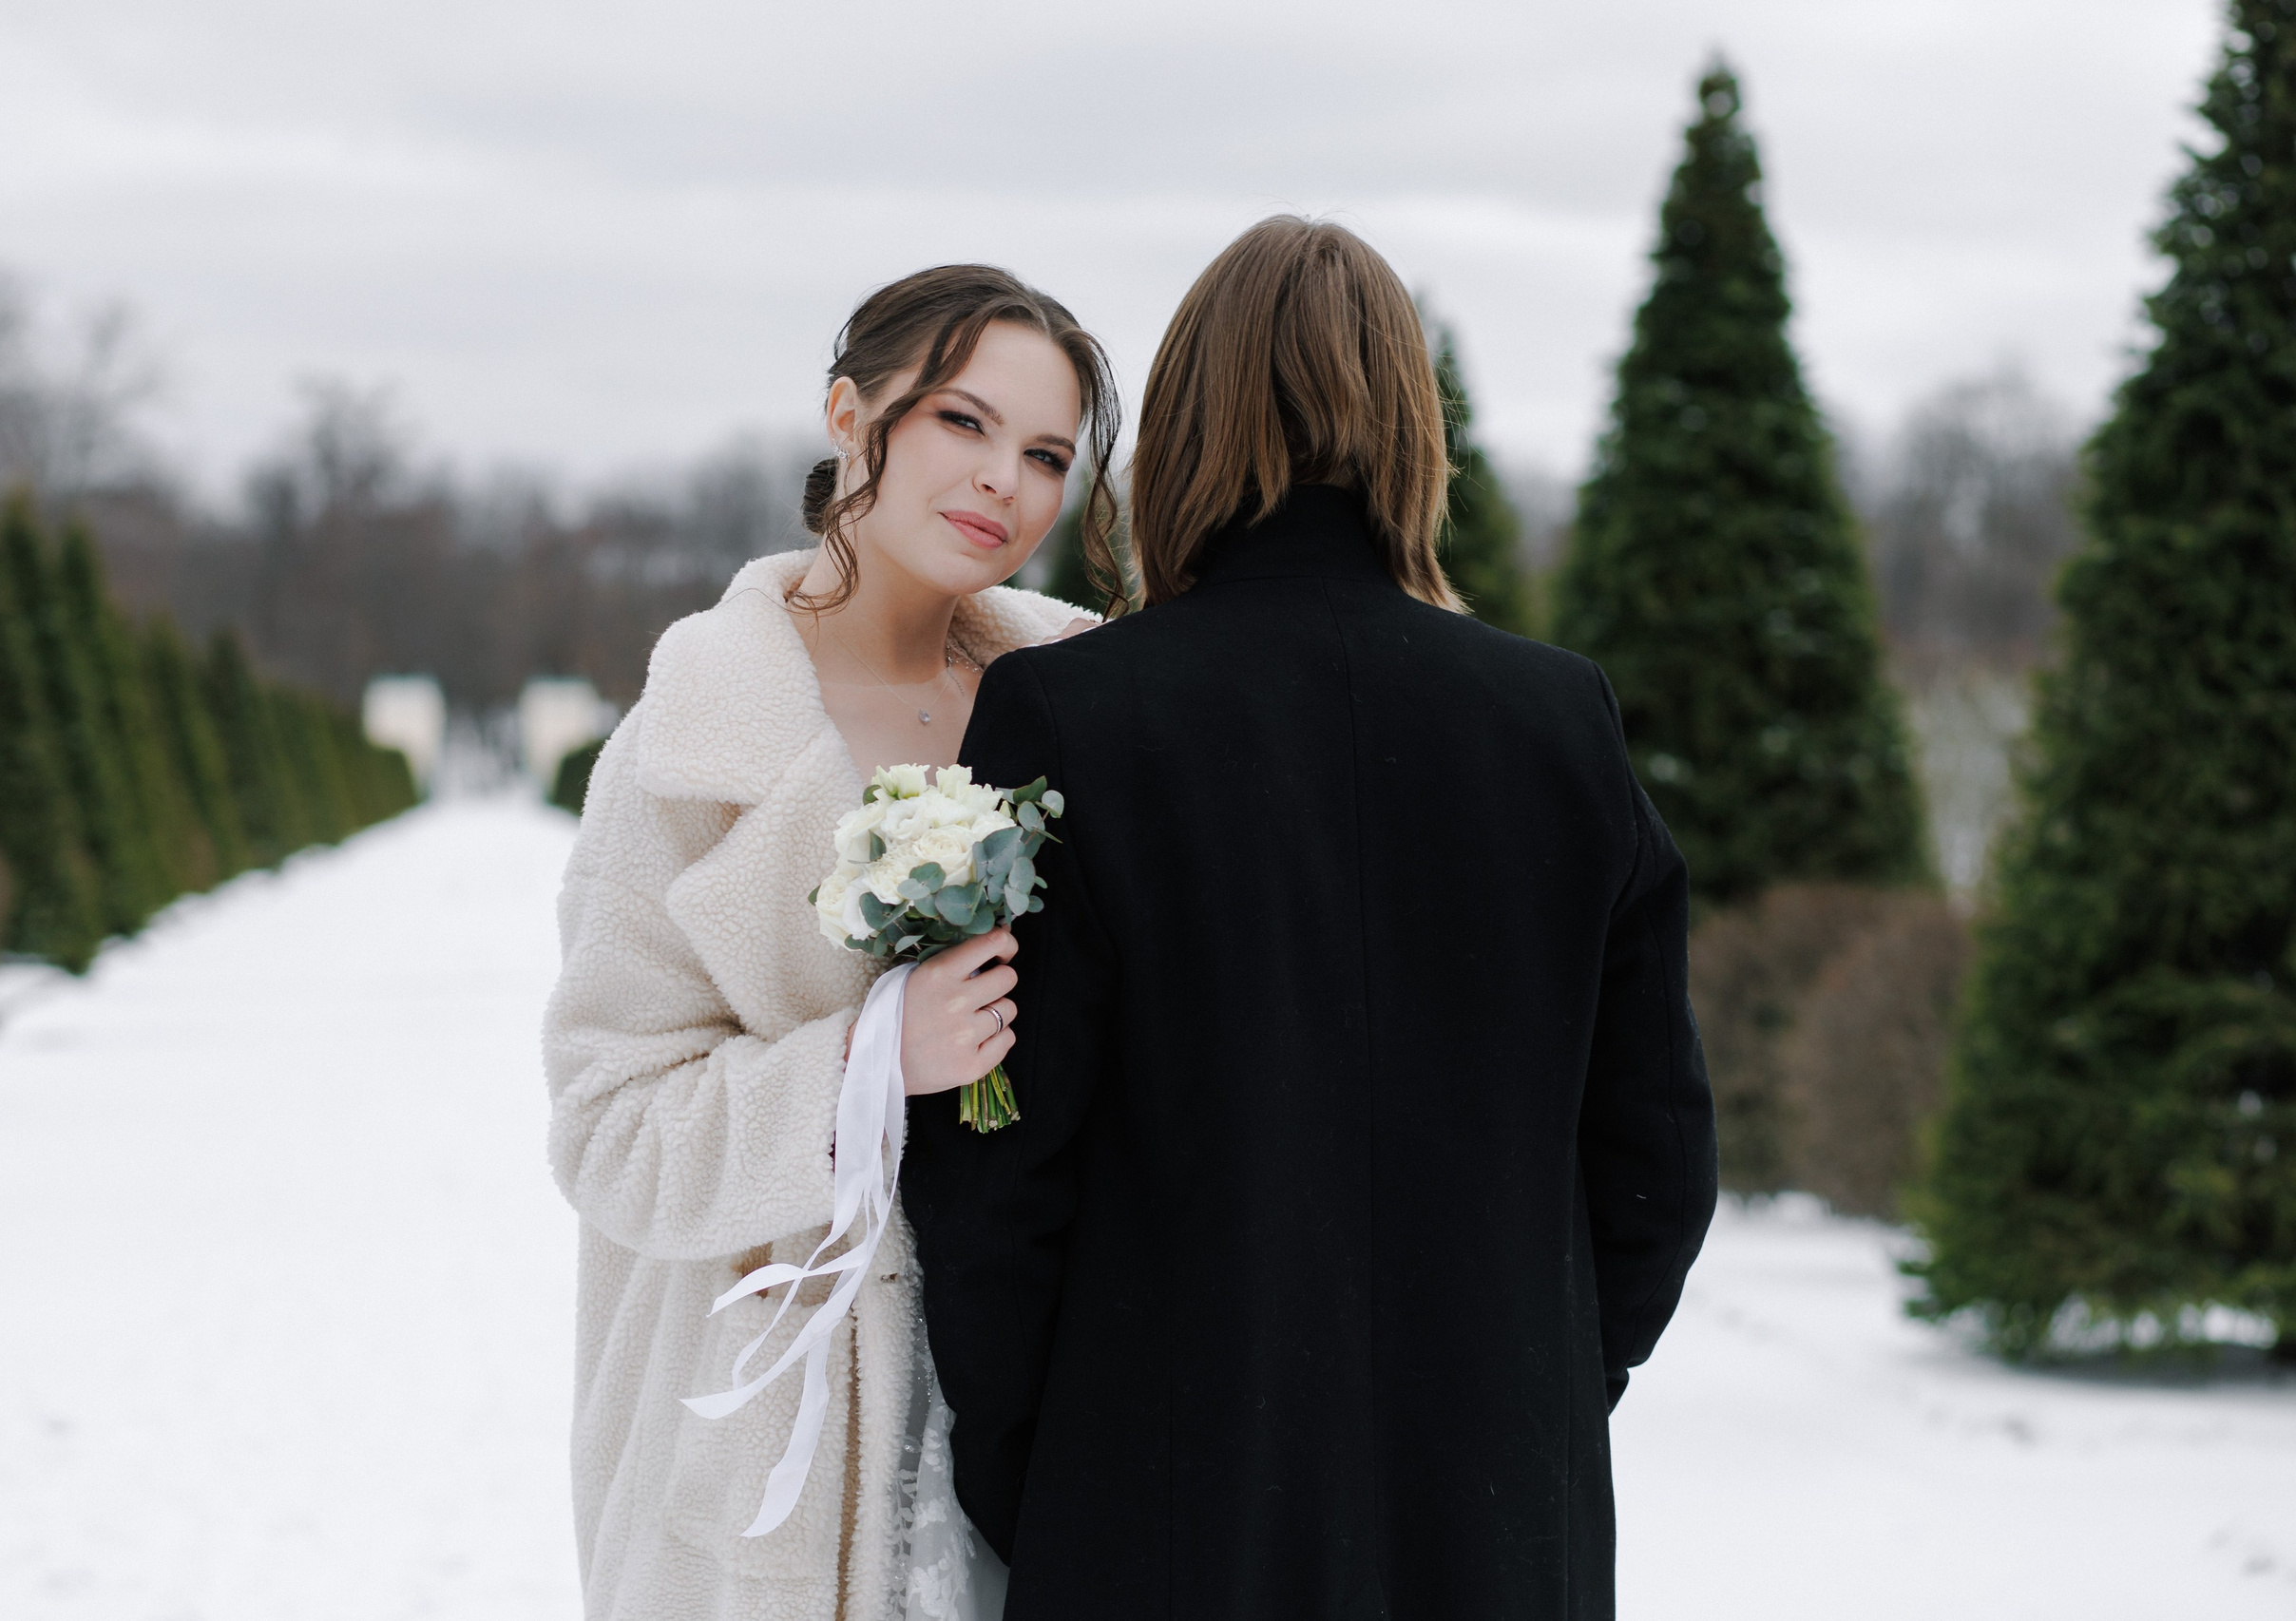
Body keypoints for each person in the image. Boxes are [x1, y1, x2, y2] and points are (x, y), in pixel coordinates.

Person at [901, 217, 1719, 1619]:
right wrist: (1520, 1405)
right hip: (1500, 1529)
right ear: (1412, 427)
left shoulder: (1069, 717)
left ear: (1191, 425)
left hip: (1155, 1514)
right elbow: (1657, 1159)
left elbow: (996, 1173)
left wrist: (1042, 1471)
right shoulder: (1558, 720)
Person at [542, 263, 1120, 1621]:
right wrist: (866, 1062)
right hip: (784, 1439)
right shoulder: (689, 742)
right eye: (961, 423)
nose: (1006, 485)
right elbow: (605, 1128)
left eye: (1046, 453)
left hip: (1046, 1398)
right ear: (849, 413)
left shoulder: (1085, 702)